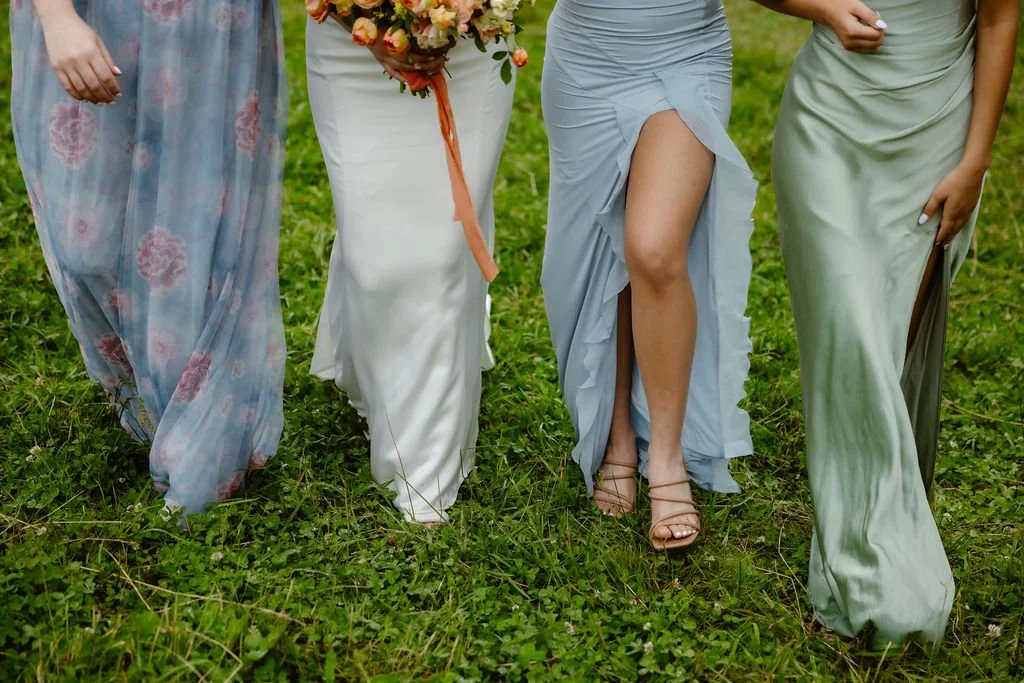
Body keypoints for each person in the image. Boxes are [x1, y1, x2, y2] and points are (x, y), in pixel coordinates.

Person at [761, 0, 1018, 645]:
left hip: (934, 128)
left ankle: (882, 515)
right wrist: (819, 8)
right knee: (848, 331)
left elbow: (998, 18)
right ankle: (872, 560)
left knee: (892, 335)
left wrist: (976, 160)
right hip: (828, 119)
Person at [10, 0, 288, 513]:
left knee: (202, 221)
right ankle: (153, 393)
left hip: (211, 20)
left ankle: (204, 432)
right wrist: (56, 16)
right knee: (84, 244)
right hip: (93, 13)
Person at [541, 0, 758, 550]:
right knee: (604, 246)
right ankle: (617, 437)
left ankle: (666, 454)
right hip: (585, 55)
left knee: (654, 248)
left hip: (686, 48)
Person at [305, 8, 514, 524]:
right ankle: (371, 373)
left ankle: (425, 473)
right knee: (373, 252)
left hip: (471, 48)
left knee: (443, 247)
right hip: (347, 43)